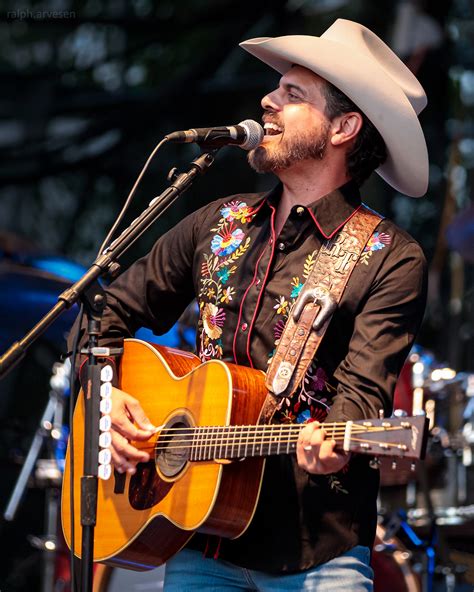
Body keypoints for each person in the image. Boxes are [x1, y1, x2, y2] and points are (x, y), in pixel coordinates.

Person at [73, 19, 429, 591]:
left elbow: (361, 400)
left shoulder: (390, 256)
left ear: (343, 127)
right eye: (276, 88)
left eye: (293, 94)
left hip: (315, 555)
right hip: (196, 540)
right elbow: (100, 314)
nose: (267, 99)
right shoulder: (219, 223)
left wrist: (334, 445)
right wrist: (107, 399)